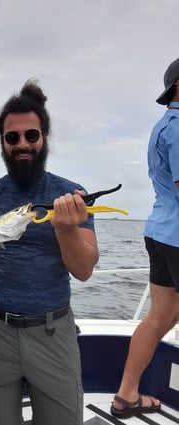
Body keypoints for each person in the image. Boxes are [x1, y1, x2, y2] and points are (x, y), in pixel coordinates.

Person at [0, 79, 99, 425]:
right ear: (2, 142)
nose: (22, 144)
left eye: (31, 135)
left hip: (53, 333)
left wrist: (66, 227)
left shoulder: (71, 196)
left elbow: (84, 270)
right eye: (13, 137)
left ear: (44, 138)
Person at [111, 58, 179, 419]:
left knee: (161, 314)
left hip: (160, 231)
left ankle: (126, 396)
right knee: (162, 315)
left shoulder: (162, 126)